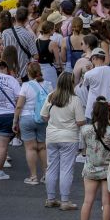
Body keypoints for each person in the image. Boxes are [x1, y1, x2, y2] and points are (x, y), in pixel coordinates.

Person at [40, 71, 85, 211]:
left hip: (52, 136)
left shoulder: (51, 97)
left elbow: (43, 116)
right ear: (71, 83)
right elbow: (80, 121)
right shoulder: (75, 99)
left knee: (51, 167)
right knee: (66, 169)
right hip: (69, 137)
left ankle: (50, 198)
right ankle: (65, 200)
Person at [79, 98, 110, 220]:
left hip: (90, 169)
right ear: (107, 113)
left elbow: (83, 150)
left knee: (87, 201)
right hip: (107, 170)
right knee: (107, 203)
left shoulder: (85, 129)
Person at [14, 61, 51, 184]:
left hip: (27, 118)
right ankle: (46, 175)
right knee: (42, 147)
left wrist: (15, 121)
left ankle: (33, 176)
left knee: (30, 148)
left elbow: (19, 106)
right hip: (43, 118)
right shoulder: (48, 85)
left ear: (28, 73)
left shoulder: (26, 86)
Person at [79, 48, 110, 120]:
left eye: (91, 59)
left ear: (94, 58)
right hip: (109, 109)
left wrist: (89, 70)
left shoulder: (89, 74)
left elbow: (84, 85)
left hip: (93, 110)